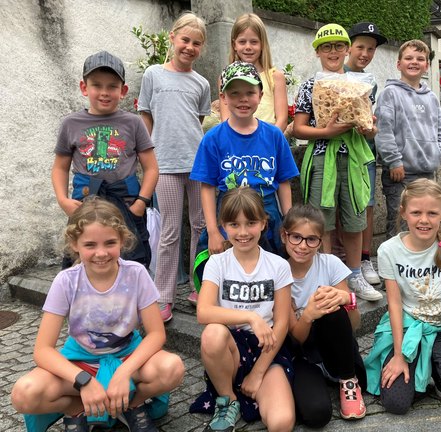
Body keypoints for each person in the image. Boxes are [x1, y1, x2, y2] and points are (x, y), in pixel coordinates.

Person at [11, 197, 185, 432]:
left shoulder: (136, 274)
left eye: (110, 243)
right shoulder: (66, 281)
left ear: (122, 240)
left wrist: (124, 373)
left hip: (127, 357)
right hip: (80, 361)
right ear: (75, 244)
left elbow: (156, 334)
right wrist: (82, 381)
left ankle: (131, 405)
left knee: (172, 367)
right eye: (90, 245)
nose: (101, 253)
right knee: (24, 394)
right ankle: (79, 409)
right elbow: (42, 350)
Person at [363, 179, 441, 414]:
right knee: (396, 403)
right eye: (416, 212)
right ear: (404, 213)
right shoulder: (389, 250)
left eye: (432, 213)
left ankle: (440, 374)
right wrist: (398, 355)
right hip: (409, 327)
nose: (424, 220)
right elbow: (394, 305)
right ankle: (419, 370)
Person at [189, 187, 295, 432]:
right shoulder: (217, 262)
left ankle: (256, 385)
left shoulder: (278, 265)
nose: (243, 232)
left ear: (263, 224)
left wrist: (258, 373)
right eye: (234, 225)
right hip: (231, 349)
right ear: (224, 226)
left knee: (281, 422)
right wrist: (250, 317)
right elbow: (203, 312)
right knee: (212, 333)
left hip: (268, 346)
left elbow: (281, 324)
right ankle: (228, 399)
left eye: (251, 223)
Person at [292, 23, 383, 302]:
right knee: (324, 220)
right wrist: (326, 132)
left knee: (355, 218)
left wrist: (370, 129)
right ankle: (327, 274)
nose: (333, 52)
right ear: (318, 51)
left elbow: (367, 123)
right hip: (321, 158)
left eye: (339, 46)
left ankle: (354, 273)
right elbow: (298, 128)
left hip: (353, 158)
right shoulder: (309, 86)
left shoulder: (361, 84)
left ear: (347, 50)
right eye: (327, 47)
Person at [52, 50, 159, 269]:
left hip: (127, 206)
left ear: (123, 91)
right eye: (96, 85)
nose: (104, 92)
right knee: (82, 262)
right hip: (85, 206)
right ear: (84, 88)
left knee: (132, 262)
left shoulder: (133, 123)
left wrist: (141, 203)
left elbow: (151, 168)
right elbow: (60, 168)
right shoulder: (71, 124)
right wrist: (63, 201)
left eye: (112, 86)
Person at [138, 12, 211, 321]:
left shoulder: (202, 83)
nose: (189, 47)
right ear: (172, 38)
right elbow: (146, 115)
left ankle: (200, 288)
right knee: (170, 231)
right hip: (165, 164)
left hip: (198, 165)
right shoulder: (153, 74)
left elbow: (197, 123)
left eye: (196, 43)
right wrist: (153, 152)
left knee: (200, 226)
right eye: (185, 40)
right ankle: (164, 296)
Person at [190, 61, 299, 261]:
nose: (243, 99)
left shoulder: (274, 135)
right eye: (234, 94)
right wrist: (213, 230)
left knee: (271, 264)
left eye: (249, 92)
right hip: (228, 210)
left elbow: (284, 181)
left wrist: (288, 221)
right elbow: (206, 186)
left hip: (268, 210)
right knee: (228, 267)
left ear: (261, 95)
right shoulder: (213, 138)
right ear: (223, 97)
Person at [283, 205, 367, 426]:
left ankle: (349, 382)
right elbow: (295, 340)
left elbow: (353, 325)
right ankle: (313, 383)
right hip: (302, 355)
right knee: (316, 415)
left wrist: (348, 301)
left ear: (320, 241)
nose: (303, 245)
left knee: (332, 307)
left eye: (311, 239)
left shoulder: (330, 263)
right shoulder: (278, 272)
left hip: (338, 351)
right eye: (296, 238)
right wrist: (308, 314)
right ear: (285, 236)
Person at [375, 39, 441, 240]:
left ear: (427, 65)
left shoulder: (431, 97)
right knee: (400, 224)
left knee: (427, 225)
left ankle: (424, 267)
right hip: (400, 174)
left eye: (420, 58)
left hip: (428, 172)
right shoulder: (390, 94)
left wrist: (439, 154)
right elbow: (384, 130)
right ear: (399, 64)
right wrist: (394, 161)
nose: (414, 62)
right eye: (408, 58)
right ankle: (395, 268)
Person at [344, 22, 387, 286]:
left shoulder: (370, 82)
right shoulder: (335, 75)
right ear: (349, 47)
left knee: (367, 207)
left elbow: (371, 122)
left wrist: (371, 129)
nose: (365, 53)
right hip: (340, 152)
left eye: (370, 49)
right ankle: (346, 264)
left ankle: (364, 258)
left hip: (365, 153)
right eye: (360, 47)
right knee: (344, 210)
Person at [219, 13, 288, 131]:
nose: (248, 47)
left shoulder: (275, 77)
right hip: (237, 144)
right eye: (242, 42)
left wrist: (268, 141)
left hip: (267, 144)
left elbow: (282, 119)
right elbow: (225, 118)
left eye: (254, 42)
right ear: (234, 44)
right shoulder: (225, 77)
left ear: (262, 44)